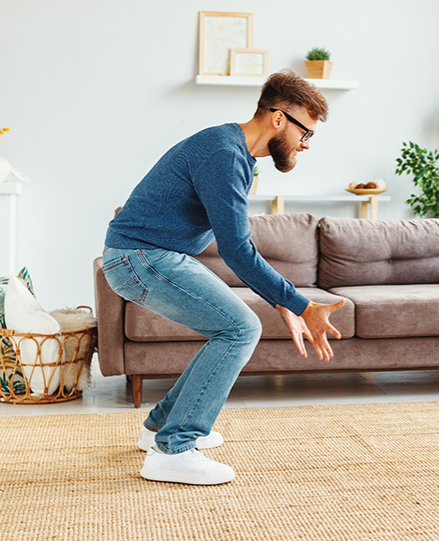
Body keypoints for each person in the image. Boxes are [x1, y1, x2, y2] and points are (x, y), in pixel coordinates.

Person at [102, 70, 345, 485]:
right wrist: (301, 304)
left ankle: (160, 428)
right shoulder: (223, 154)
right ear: (279, 118)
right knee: (239, 328)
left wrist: (279, 300)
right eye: (306, 132)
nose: (305, 145)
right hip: (140, 257)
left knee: (235, 327)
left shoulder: (235, 154)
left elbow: (235, 241)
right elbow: (236, 249)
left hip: (149, 255)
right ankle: (174, 448)